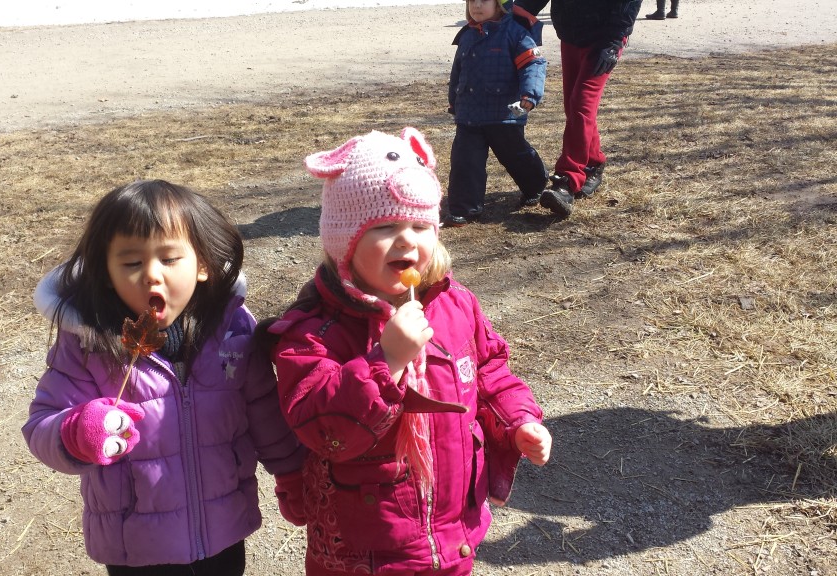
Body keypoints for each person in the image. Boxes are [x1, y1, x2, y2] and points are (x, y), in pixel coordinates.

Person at [259, 128, 552, 575]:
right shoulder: (313, 331)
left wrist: (518, 421)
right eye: (385, 227)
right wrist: (386, 361)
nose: (407, 241)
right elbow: (322, 429)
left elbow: (489, 371)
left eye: (420, 226)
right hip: (364, 551)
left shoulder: (456, 304)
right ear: (345, 243)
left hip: (452, 533)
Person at [22, 180, 304, 576]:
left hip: (223, 527)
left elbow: (263, 408)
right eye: (132, 263)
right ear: (105, 273)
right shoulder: (88, 344)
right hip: (136, 543)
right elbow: (42, 423)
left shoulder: (232, 328)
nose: (152, 276)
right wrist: (76, 432)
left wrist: (291, 471)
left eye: (170, 259)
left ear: (203, 264)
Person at [516, 0, 644, 217]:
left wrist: (615, 41)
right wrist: (517, 14)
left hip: (604, 40)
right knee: (573, 106)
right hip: (571, 33)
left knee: (581, 105)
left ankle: (567, 180)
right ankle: (593, 163)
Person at [445, 0, 550, 225]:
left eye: (484, 0)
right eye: (472, 1)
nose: (477, 5)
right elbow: (458, 71)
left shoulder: (515, 32)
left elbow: (533, 64)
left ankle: (536, 184)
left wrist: (529, 96)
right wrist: (454, 101)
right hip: (469, 114)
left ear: (499, 4)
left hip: (503, 113)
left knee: (515, 155)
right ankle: (464, 208)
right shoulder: (466, 35)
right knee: (465, 161)